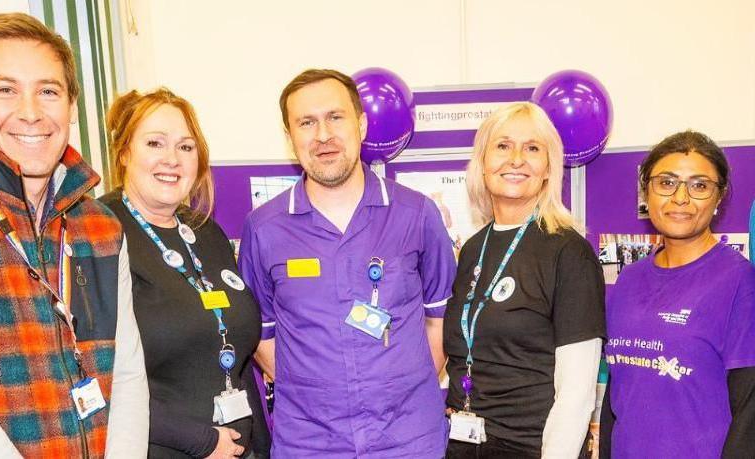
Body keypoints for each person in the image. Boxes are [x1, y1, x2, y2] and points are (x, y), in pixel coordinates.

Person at [0, 13, 148, 457]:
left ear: (71, 106)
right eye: (6, 90)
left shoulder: (101, 226)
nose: (31, 112)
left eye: (48, 91)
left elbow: (128, 374)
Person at [238, 69, 456, 458]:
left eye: (335, 117)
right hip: (310, 443)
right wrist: (321, 397)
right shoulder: (264, 229)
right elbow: (262, 337)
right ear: (291, 138)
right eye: (307, 122)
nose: (323, 135)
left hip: (409, 440)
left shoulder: (416, 215)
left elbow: (439, 320)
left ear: (361, 123)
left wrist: (397, 388)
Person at [99, 88, 270, 458]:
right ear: (125, 152)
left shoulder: (206, 231)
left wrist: (258, 444)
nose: (171, 159)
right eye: (155, 143)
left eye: (186, 147)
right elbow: (96, 379)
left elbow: (233, 352)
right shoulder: (99, 232)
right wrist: (203, 441)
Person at [444, 102, 606, 458]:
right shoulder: (473, 248)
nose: (516, 159)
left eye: (533, 148)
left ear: (548, 168)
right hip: (465, 445)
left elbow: (577, 392)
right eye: (502, 146)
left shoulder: (569, 252)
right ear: (482, 162)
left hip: (533, 448)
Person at [602, 131, 755, 458]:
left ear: (719, 197)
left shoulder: (741, 282)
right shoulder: (628, 280)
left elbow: (749, 411)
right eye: (666, 183)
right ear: (647, 191)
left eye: (699, 185)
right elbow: (615, 397)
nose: (680, 198)